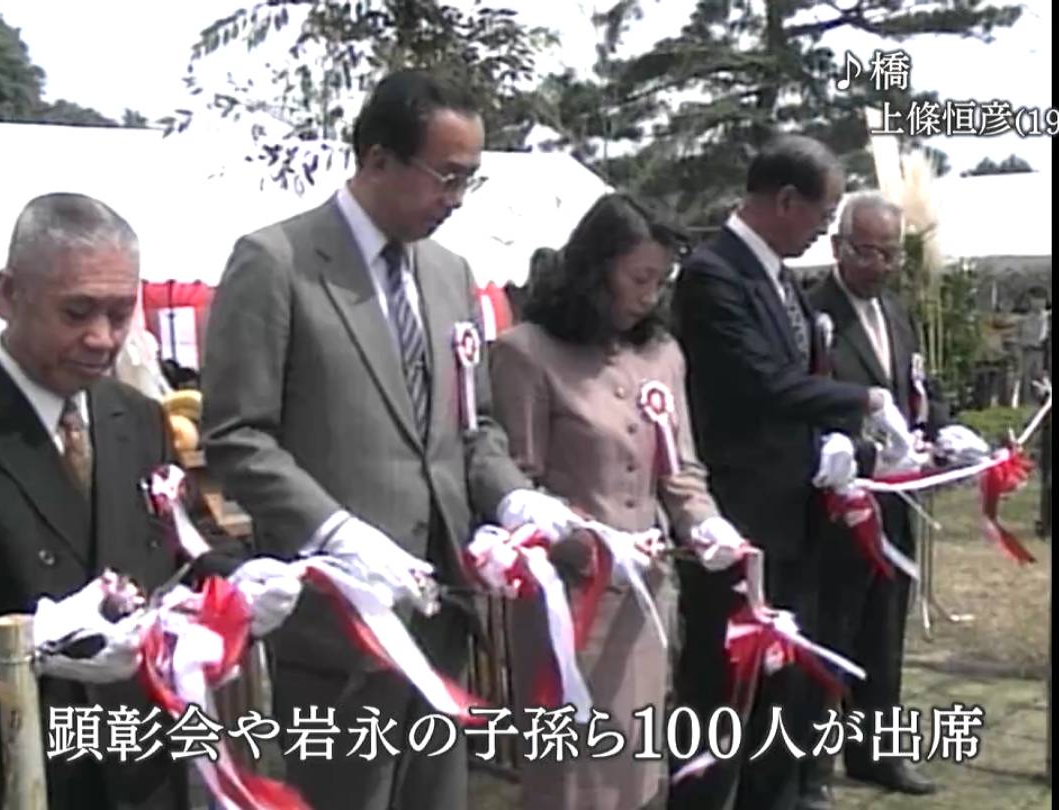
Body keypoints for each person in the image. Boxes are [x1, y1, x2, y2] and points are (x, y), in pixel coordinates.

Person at [198, 70, 580, 810]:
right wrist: (334, 530)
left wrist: (514, 498)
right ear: (377, 159)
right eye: (446, 176)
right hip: (341, 622)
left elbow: (472, 425)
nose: (457, 199)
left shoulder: (449, 273)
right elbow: (238, 436)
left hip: (443, 608)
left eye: (470, 179)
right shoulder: (277, 262)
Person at [669, 136, 917, 810]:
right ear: (785, 201)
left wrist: (841, 444)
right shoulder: (715, 275)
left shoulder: (780, 278)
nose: (822, 229)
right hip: (741, 515)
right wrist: (861, 401)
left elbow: (804, 372)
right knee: (722, 690)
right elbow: (758, 382)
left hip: (797, 515)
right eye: (823, 213)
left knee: (785, 687)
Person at [0, 193, 253, 810]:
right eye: (77, 312)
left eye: (120, 312)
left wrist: (241, 582)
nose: (102, 338)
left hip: (141, 764)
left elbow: (183, 544)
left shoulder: (137, 418)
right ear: (8, 294)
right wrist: (26, 644)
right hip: (17, 766)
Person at [489, 194, 750, 810]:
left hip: (646, 601)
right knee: (573, 776)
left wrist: (704, 523)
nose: (651, 295)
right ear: (595, 269)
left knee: (639, 765)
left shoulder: (663, 354)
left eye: (661, 281)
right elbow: (516, 485)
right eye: (639, 278)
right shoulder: (525, 353)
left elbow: (680, 470)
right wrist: (588, 542)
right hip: (568, 604)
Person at [801, 192, 945, 806]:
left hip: (898, 500)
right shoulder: (813, 313)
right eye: (868, 252)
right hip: (841, 501)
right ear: (838, 247)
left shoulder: (897, 311)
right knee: (831, 633)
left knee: (885, 632)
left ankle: (877, 752)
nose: (881, 265)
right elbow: (804, 398)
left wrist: (943, 428)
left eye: (891, 254)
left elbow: (916, 387)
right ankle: (811, 768)